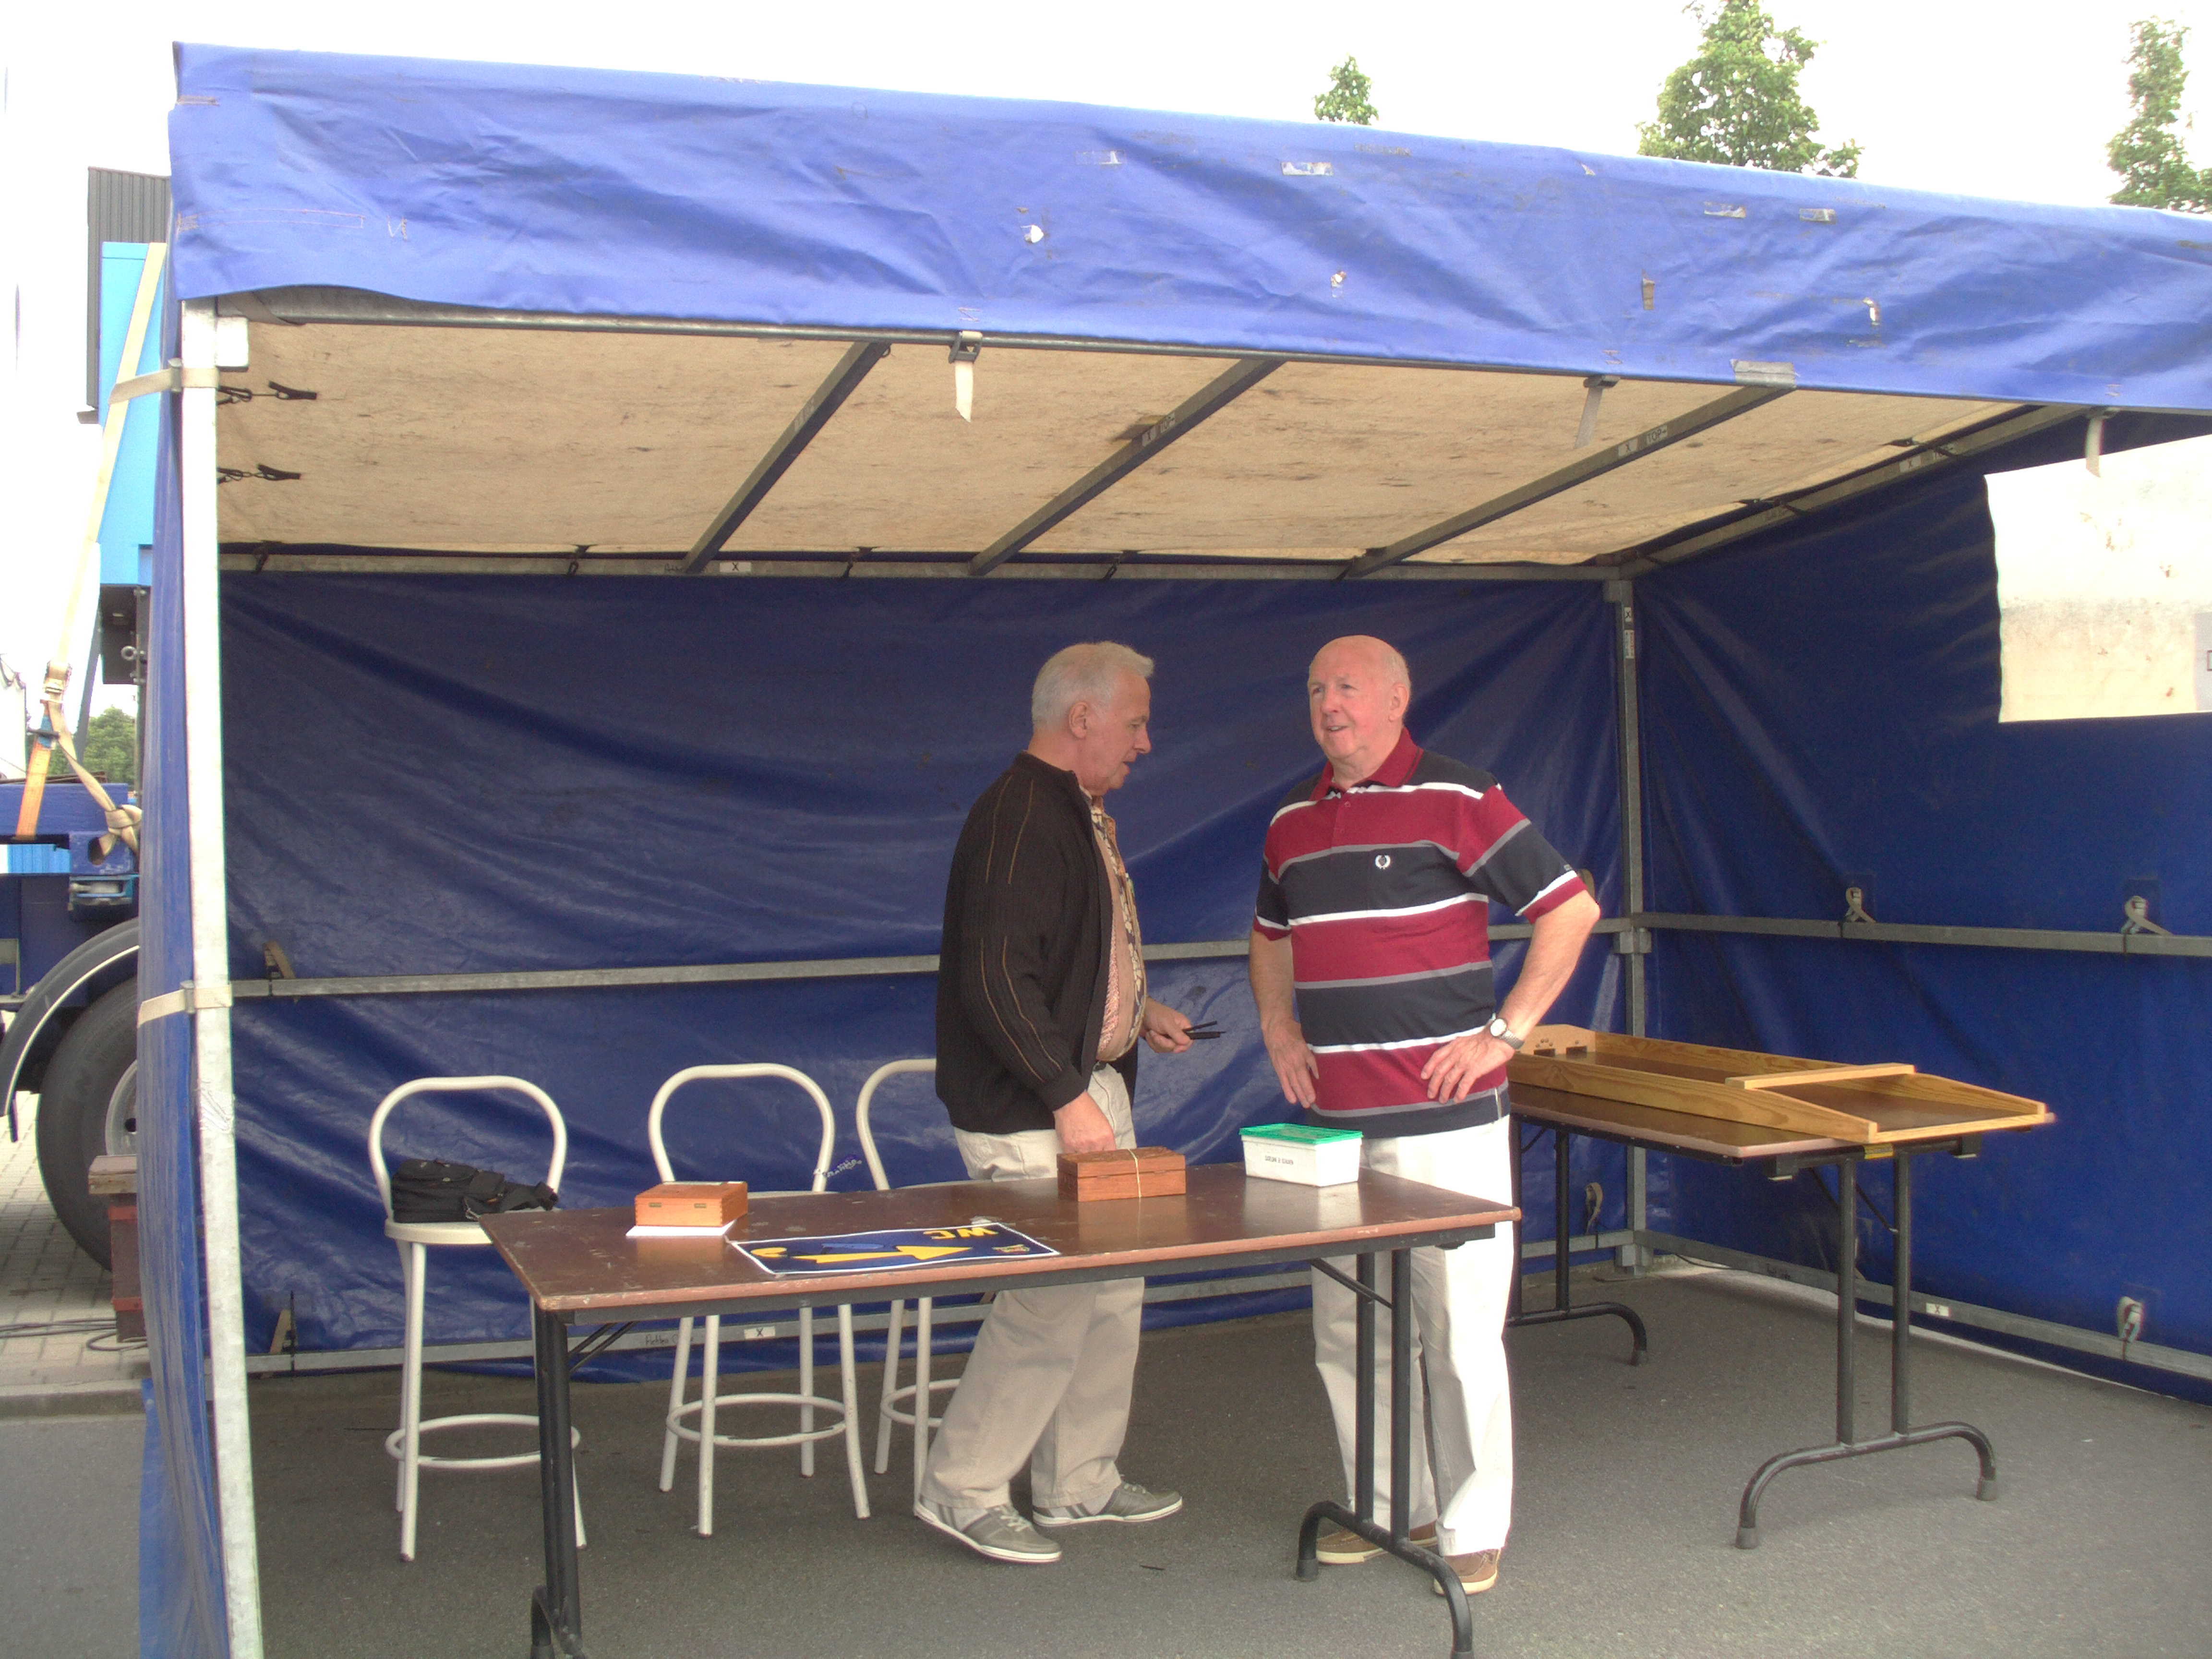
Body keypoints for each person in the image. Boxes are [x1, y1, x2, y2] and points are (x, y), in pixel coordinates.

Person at [1247, 634, 1599, 1596]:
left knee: (1457, 1330)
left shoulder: (1459, 795)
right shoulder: (1289, 821)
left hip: (1449, 1127)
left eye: (1348, 687)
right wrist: (1277, 1025)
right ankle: (1388, 1506)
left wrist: (1506, 1033)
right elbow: (1271, 935)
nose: (1329, 705)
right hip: (1336, 1131)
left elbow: (1570, 909)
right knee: (1349, 1331)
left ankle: (1474, 1522)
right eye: (1315, 688)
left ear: (1398, 699)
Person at [916, 640, 1197, 1565]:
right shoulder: (1019, 817)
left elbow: (1057, 957)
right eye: (1136, 722)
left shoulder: (1074, 812)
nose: (1146, 743)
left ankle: (1080, 1480)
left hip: (1083, 1088)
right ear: (1083, 718)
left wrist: (1134, 1010)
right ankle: (960, 1488)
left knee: (1112, 1289)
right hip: (1035, 1106)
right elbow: (997, 979)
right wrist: (1066, 1095)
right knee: (1052, 1296)